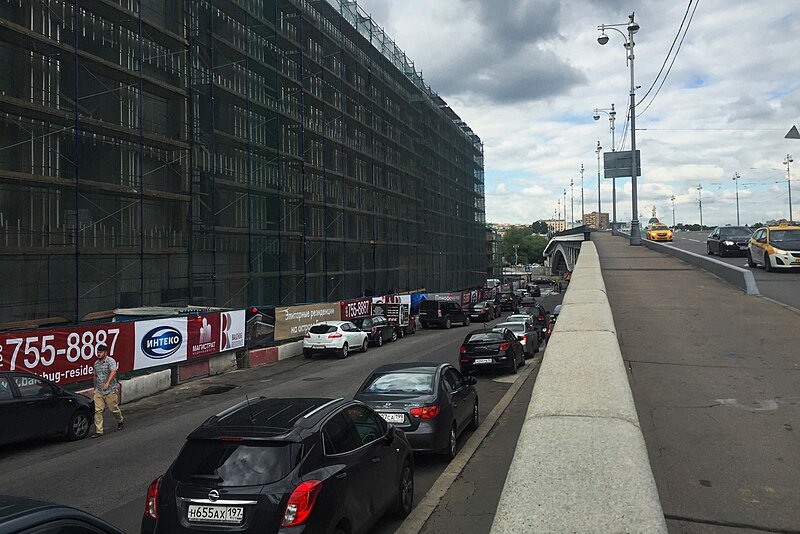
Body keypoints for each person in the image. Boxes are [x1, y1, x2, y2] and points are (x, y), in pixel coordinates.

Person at [92, 344, 124, 438]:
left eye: (101, 352)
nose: (99, 354)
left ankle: (120, 420)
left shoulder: (110, 361)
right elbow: (95, 375)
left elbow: (113, 371)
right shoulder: (96, 364)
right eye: (98, 352)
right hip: (99, 391)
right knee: (98, 410)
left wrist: (107, 383)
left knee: (113, 408)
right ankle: (99, 431)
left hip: (110, 390)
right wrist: (95, 388)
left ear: (105, 353)